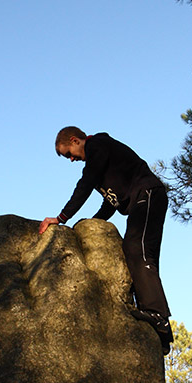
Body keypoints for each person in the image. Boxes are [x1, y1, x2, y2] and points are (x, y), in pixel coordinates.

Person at [39, 126, 173, 355]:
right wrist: (89, 226)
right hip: (141, 200)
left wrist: (61, 218)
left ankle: (158, 316)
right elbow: (111, 203)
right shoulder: (102, 165)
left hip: (148, 193)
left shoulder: (97, 146)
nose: (71, 160)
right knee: (137, 252)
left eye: (68, 153)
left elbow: (85, 184)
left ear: (75, 140)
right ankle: (159, 333)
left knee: (136, 248)